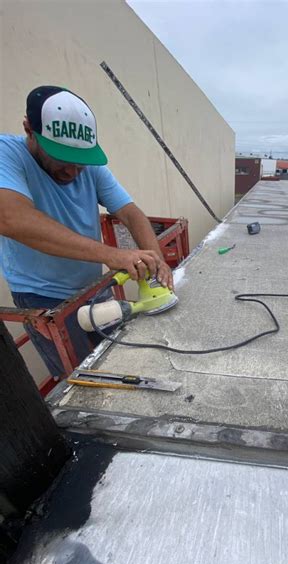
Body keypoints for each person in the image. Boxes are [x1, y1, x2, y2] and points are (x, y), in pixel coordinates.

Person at [0, 85, 174, 378]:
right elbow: (12, 219)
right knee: (83, 383)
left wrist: (157, 261)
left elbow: (130, 213)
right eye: (62, 160)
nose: (73, 172)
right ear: (29, 129)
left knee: (117, 364)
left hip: (94, 288)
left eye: (80, 163)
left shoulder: (87, 165)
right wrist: (113, 255)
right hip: (43, 299)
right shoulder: (7, 154)